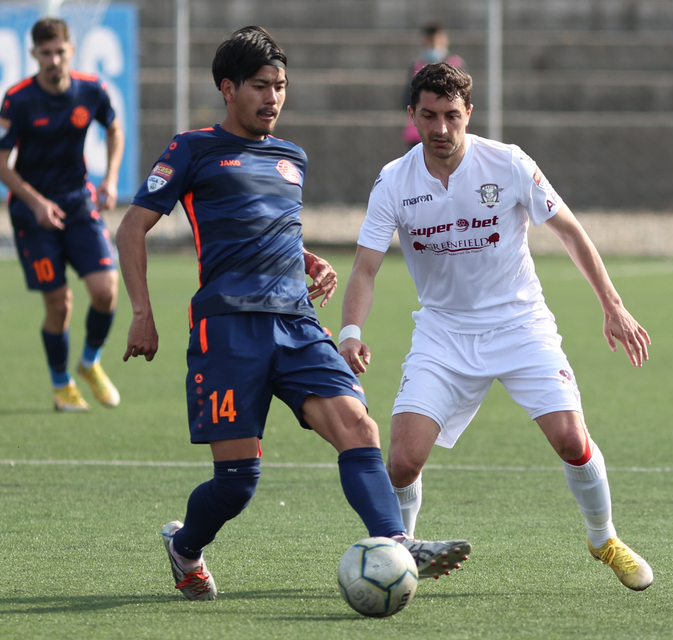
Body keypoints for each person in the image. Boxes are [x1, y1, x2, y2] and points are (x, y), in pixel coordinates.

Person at [115, 27, 470, 602]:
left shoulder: (291, 157)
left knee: (359, 427)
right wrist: (141, 313)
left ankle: (396, 543)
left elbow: (266, 224)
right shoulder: (191, 148)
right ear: (228, 88)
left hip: (297, 322)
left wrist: (305, 259)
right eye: (261, 86)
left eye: (281, 86)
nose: (274, 98)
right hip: (228, 328)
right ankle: (184, 547)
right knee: (237, 484)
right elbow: (132, 227)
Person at [340, 62, 654, 592]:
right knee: (400, 462)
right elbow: (365, 268)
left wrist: (613, 305)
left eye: (451, 116)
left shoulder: (507, 163)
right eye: (429, 116)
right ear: (411, 115)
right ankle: (401, 550)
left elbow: (571, 233)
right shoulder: (394, 179)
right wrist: (350, 332)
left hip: (519, 325)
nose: (440, 129)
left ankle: (604, 538)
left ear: (469, 114)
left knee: (572, 441)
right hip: (443, 333)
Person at [0, 17, 124, 412]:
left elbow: (114, 129)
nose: (53, 60)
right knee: (59, 304)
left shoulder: (91, 90)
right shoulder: (17, 99)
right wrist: (35, 202)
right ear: (34, 54)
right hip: (31, 212)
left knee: (105, 291)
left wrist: (111, 180)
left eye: (60, 51)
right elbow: (2, 164)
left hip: (78, 202)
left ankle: (89, 363)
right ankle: (60, 384)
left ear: (70, 50)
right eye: (45, 53)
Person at [402, 22, 464, 149]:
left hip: (451, 134)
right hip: (418, 136)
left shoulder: (456, 65)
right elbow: (406, 98)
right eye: (429, 43)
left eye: (436, 42)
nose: (433, 47)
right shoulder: (416, 66)